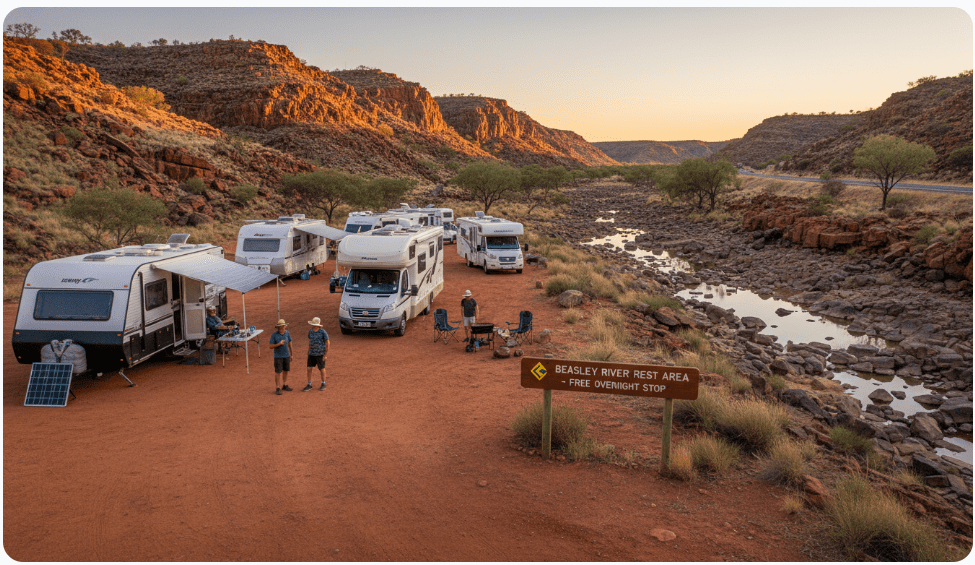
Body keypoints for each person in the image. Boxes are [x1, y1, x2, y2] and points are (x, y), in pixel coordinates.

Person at [304, 317, 329, 392]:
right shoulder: (310, 331)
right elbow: (310, 342)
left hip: (320, 353)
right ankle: (309, 384)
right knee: (309, 368)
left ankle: (323, 383)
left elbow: (327, 342)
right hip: (311, 353)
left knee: (321, 368)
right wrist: (308, 351)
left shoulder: (323, 332)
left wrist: (325, 355)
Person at [269, 319, 293, 395]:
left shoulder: (287, 333)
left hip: (286, 355)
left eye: (284, 326)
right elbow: (270, 346)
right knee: (278, 372)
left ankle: (284, 385)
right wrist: (278, 344)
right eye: (282, 326)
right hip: (278, 356)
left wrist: (291, 354)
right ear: (280, 327)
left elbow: (290, 343)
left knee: (286, 370)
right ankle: (277, 387)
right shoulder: (274, 335)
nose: (284, 327)